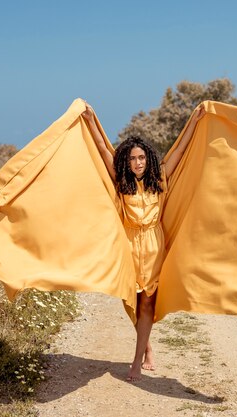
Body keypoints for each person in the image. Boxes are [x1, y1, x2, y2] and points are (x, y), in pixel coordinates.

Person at [82, 102, 205, 381]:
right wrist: (91, 121)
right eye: (132, 159)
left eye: (141, 158)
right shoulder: (121, 181)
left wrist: (195, 121)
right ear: (125, 162)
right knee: (132, 303)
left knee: (147, 304)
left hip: (152, 246)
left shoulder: (159, 177)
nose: (137, 163)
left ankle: (137, 360)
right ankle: (147, 346)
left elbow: (181, 150)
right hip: (127, 244)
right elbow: (103, 150)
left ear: (148, 158)